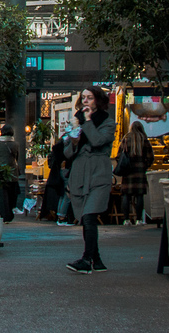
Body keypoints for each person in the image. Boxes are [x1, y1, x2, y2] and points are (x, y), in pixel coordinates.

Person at [64, 86, 117, 273]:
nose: (85, 101)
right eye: (83, 98)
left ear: (98, 100)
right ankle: (97, 260)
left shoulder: (108, 123)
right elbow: (67, 153)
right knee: (87, 218)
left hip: (98, 174)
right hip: (80, 174)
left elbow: (97, 142)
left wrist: (86, 123)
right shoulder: (76, 123)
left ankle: (86, 260)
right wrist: (74, 140)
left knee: (89, 216)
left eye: (90, 98)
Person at [119, 120, 154, 225]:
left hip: (127, 172)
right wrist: (145, 165)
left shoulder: (125, 139)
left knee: (126, 195)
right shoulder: (144, 140)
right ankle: (139, 219)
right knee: (140, 195)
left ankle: (126, 220)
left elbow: (118, 156)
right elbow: (150, 157)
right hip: (140, 171)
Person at [0, 124, 20, 222]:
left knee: (2, 195)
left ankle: (5, 215)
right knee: (11, 194)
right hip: (13, 172)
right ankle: (10, 212)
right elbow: (17, 158)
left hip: (0, 173)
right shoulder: (16, 144)